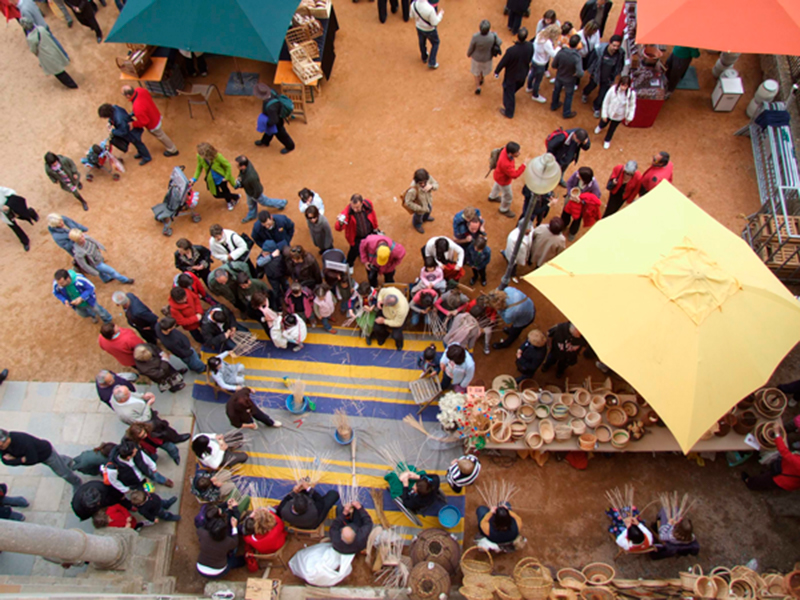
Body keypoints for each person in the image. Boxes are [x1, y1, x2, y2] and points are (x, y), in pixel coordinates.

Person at [0, 429, 82, 490]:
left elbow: (32, 460)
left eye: (2, 445)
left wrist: (18, 460)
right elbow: (5, 461)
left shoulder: (24, 442)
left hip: (46, 454)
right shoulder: (4, 447)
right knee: (59, 461)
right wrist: (22, 459)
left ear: (7, 438)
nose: (1, 448)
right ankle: (67, 461)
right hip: (39, 457)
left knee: (63, 472)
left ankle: (76, 482)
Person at [122, 85, 179, 157]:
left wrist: (133, 124)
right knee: (161, 134)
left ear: (127, 95)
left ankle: (173, 150)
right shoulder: (140, 90)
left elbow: (144, 122)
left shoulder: (137, 107)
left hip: (153, 124)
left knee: (161, 136)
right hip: (154, 113)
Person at [20, 17, 77, 89]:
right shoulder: (41, 29)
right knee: (59, 65)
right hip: (53, 49)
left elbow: (33, 50)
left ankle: (71, 85)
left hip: (46, 55)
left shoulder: (30, 38)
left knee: (58, 72)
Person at [196, 502, 245, 578]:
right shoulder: (227, 541)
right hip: (218, 571)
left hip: (200, 568)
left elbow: (200, 529)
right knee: (234, 554)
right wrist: (234, 527)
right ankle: (240, 561)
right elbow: (235, 542)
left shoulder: (203, 533)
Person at [494, 29, 533, 119]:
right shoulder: (530, 46)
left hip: (512, 76)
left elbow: (503, 62)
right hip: (523, 73)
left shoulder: (511, 51)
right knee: (516, 87)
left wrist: (497, 71)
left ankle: (509, 112)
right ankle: (511, 95)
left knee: (509, 91)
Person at [234, 155, 287, 223]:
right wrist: (239, 180)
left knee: (266, 202)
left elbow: (258, 189)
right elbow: (241, 174)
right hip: (249, 191)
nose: (236, 166)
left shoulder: (251, 177)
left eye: (237, 165)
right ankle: (252, 214)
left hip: (255, 194)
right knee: (250, 204)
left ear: (243, 166)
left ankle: (282, 203)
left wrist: (255, 197)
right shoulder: (246, 165)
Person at [583, 35, 624, 118]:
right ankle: (585, 93)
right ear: (609, 43)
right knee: (591, 86)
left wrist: (616, 74)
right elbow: (591, 60)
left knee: (603, 94)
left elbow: (620, 64)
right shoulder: (599, 49)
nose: (615, 48)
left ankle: (596, 107)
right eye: (614, 45)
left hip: (608, 78)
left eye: (618, 46)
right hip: (597, 75)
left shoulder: (621, 53)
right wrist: (591, 72)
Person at [336, 194, 379, 272]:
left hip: (369, 233)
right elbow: (338, 228)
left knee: (368, 247)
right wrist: (340, 222)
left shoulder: (368, 205)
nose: (355, 209)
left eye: (357, 207)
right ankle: (350, 264)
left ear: (362, 203)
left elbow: (373, 215)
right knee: (353, 251)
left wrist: (375, 227)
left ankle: (362, 255)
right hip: (356, 238)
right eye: (353, 207)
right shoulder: (347, 212)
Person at [193, 144, 239, 210]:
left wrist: (226, 177)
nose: (200, 155)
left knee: (225, 189)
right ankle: (235, 196)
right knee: (216, 195)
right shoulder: (200, 156)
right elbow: (199, 167)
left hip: (221, 178)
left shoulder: (218, 156)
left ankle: (229, 201)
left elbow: (228, 165)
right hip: (211, 179)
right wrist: (194, 178)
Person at [595, 75, 636, 149]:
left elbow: (632, 106)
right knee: (604, 122)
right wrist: (604, 114)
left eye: (625, 85)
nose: (623, 87)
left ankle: (607, 140)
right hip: (609, 112)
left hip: (619, 116)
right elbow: (606, 101)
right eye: (622, 84)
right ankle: (600, 127)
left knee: (612, 128)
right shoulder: (613, 89)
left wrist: (630, 117)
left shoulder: (631, 94)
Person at [253, 83, 295, 154]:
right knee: (268, 132)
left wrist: (266, 123)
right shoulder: (272, 91)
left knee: (281, 135)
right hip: (274, 115)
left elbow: (274, 121)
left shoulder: (271, 108)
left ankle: (290, 146)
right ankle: (265, 142)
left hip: (276, 121)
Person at [488, 142, 526, 218]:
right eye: (517, 152)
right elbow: (514, 175)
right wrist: (524, 165)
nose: (519, 153)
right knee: (508, 196)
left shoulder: (505, 150)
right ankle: (503, 209)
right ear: (511, 153)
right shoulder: (506, 164)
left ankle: (492, 197)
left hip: (498, 175)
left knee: (497, 185)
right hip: (504, 181)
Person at [550, 35, 584, 119]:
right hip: (569, 79)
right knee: (568, 95)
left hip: (559, 75)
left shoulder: (561, 52)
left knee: (556, 91)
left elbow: (553, 65)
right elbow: (580, 73)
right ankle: (566, 112)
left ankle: (554, 105)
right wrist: (575, 74)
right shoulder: (577, 57)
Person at [528, 24, 561, 103]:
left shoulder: (541, 33)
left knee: (532, 74)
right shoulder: (547, 43)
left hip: (534, 59)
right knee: (538, 80)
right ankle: (535, 95)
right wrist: (558, 48)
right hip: (541, 63)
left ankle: (529, 87)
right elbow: (553, 54)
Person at [467, 20, 501, 95]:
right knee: (483, 70)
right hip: (487, 58)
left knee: (476, 72)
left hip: (476, 58)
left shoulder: (475, 37)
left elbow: (471, 47)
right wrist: (495, 34)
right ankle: (482, 78)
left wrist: (468, 54)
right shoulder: (492, 36)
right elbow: (499, 42)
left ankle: (478, 87)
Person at [1, 187, 38, 251]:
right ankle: (25, 242)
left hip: (12, 208)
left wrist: (8, 205)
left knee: (22, 215)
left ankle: (31, 212)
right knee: (14, 227)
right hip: (4, 214)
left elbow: (11, 192)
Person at [404, 168, 439, 233]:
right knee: (418, 218)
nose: (423, 184)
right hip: (420, 209)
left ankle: (425, 218)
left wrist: (431, 187)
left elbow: (436, 184)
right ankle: (417, 225)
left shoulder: (429, 178)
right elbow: (408, 202)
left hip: (428, 202)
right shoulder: (413, 190)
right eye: (420, 183)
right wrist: (420, 209)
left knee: (429, 210)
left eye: (424, 182)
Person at [410, 0, 443, 70]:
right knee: (436, 43)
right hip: (430, 30)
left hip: (419, 27)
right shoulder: (430, 9)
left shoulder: (414, 4)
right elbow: (434, 23)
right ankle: (432, 62)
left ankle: (424, 57)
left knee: (422, 42)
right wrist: (440, 15)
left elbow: (411, 15)